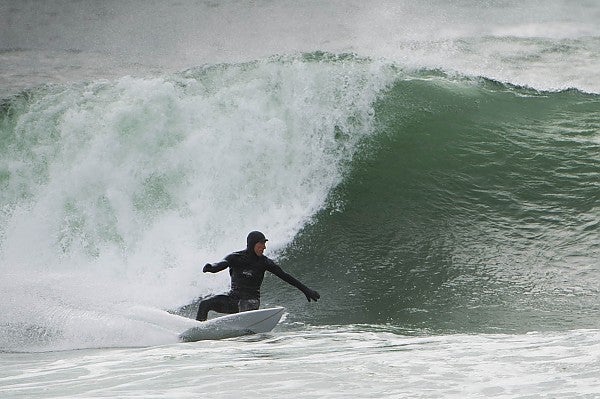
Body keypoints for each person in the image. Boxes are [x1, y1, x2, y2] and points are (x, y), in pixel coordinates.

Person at [196, 231, 320, 321]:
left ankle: (245, 332)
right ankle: (198, 332)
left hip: (251, 301)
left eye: (264, 243)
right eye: (261, 243)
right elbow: (222, 264)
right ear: (252, 244)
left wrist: (305, 290)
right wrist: (211, 268)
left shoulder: (264, 262)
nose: (264, 247)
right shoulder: (236, 257)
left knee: (245, 305)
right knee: (204, 304)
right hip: (233, 299)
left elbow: (285, 276)